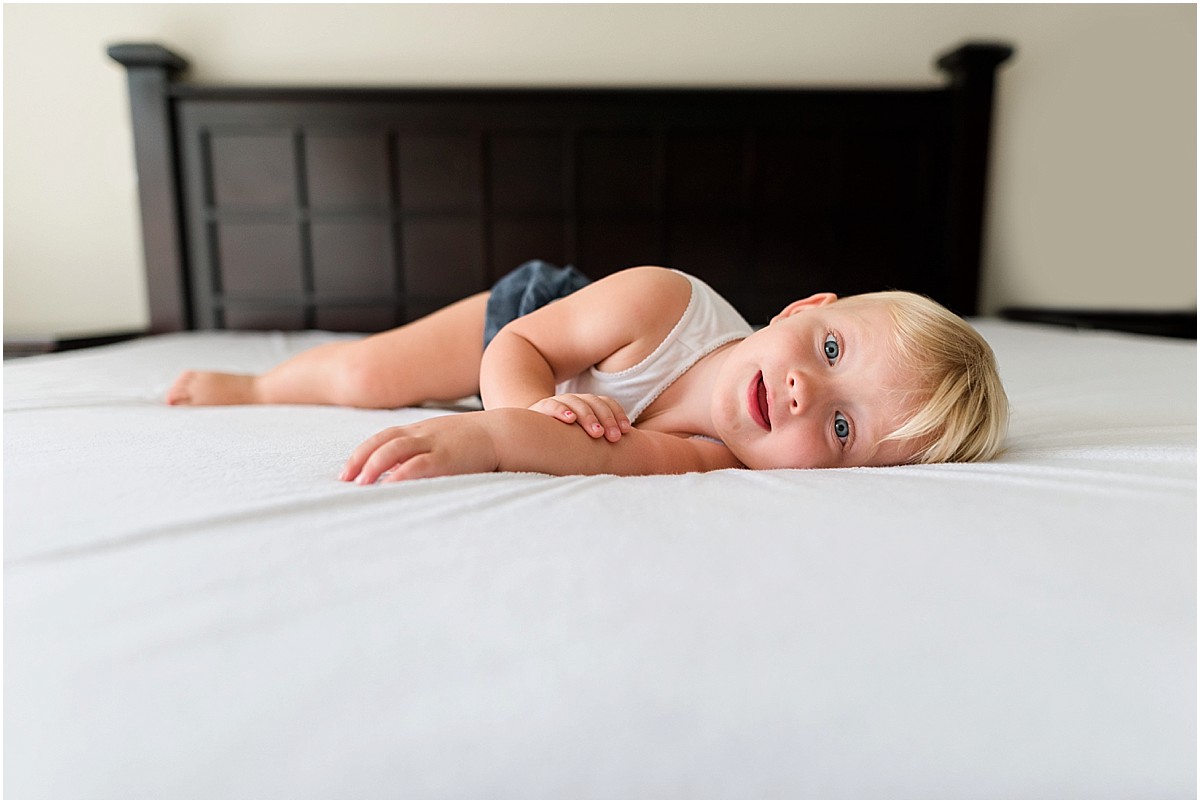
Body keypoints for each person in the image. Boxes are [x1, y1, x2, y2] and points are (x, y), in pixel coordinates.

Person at [166, 260, 1008, 482]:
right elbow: (516, 354)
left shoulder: (711, 456)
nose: (804, 392)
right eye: (830, 352)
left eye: (841, 427)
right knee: (363, 378)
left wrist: (492, 441)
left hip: (551, 389)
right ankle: (257, 385)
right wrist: (526, 406)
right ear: (801, 309)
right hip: (544, 331)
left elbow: (593, 455)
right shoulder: (660, 302)